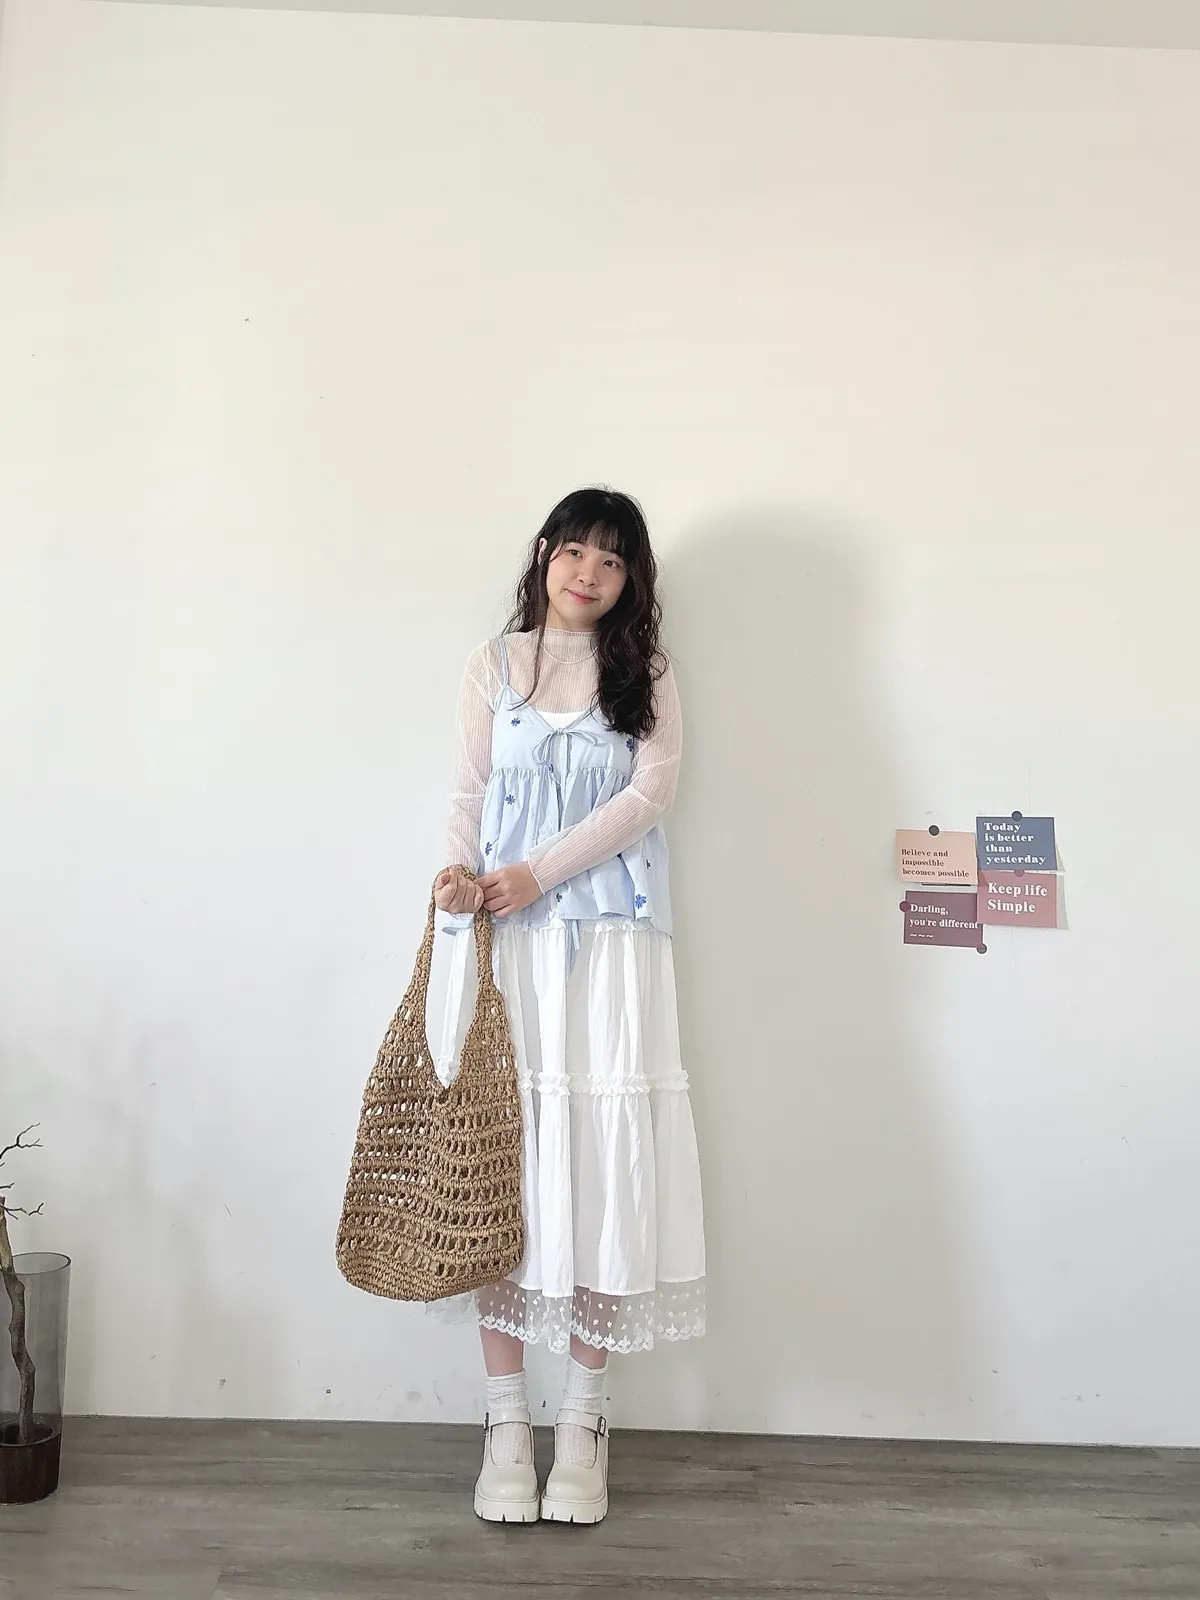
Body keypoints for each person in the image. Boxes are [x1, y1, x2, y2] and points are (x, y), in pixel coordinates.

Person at [434, 487, 706, 1525]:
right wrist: (456, 880)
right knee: (501, 1158)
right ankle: (506, 1421)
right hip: (507, 945)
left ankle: (584, 1419)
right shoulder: (493, 665)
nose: (589, 572)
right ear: (546, 552)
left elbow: (650, 795)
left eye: (613, 559)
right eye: (577, 550)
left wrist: (538, 871)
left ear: (631, 579)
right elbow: (466, 792)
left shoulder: (647, 671)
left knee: (603, 1161)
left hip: (614, 945)